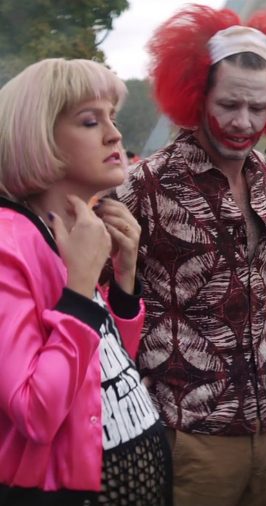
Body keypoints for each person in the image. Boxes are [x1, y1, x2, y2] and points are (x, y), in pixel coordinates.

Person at [110, 5, 266, 505]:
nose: (243, 123)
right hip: (185, 428)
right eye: (228, 104)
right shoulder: (145, 183)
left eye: (258, 107)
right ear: (196, 94)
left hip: (265, 421)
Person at [0, 58, 170, 505]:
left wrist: (124, 278)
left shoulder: (67, 231)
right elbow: (36, 412)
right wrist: (79, 288)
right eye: (90, 120)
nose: (114, 134)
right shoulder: (7, 243)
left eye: (112, 117)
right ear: (38, 136)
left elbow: (103, 369)